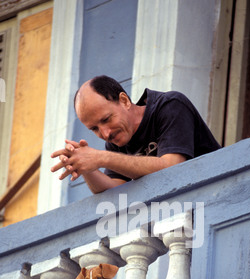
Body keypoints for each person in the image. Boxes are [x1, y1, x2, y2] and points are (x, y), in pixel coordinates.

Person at [51, 75, 220, 193]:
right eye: (94, 129)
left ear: (124, 101)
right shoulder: (115, 141)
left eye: (107, 119)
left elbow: (171, 167)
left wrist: (102, 158)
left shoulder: (170, 106)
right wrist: (84, 166)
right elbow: (115, 191)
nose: (105, 133)